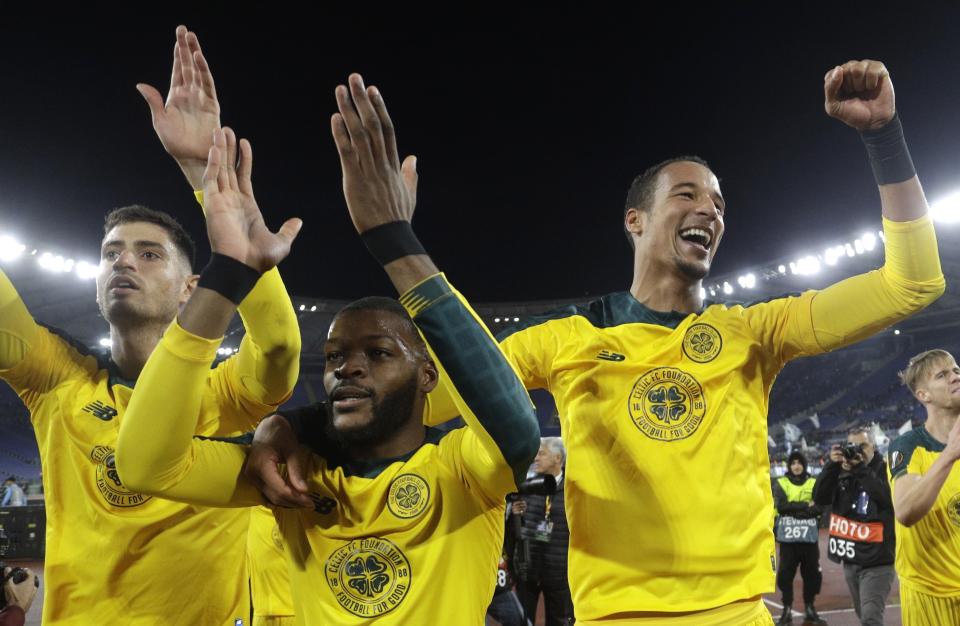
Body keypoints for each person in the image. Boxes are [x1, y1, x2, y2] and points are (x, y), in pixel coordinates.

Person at [252, 60, 944, 624]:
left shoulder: (753, 331)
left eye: (720, 204)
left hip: (734, 612)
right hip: (614, 614)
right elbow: (409, 401)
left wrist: (884, 140)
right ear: (634, 219)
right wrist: (293, 423)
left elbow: (913, 284)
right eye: (687, 195)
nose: (710, 209)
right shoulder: (566, 339)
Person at [115, 75, 540, 625]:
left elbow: (516, 430)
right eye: (336, 357)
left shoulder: (461, 470)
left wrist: (393, 239)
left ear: (428, 376)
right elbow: (147, 465)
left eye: (379, 353)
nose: (348, 367)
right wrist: (227, 275)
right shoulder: (293, 477)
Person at [0, 26, 301, 623]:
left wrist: (203, 180)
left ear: (193, 288)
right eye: (110, 253)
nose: (123, 262)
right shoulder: (58, 381)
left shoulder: (224, 396)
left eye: (148, 253)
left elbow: (279, 348)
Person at [888, 349, 960, 624]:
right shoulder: (907, 446)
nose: (955, 377)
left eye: (956, 370)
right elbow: (905, 511)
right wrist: (949, 455)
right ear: (923, 395)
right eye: (942, 375)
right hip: (930, 596)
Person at [813, 428, 895, 626]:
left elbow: (885, 499)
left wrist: (860, 469)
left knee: (870, 618)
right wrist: (832, 466)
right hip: (851, 559)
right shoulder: (841, 472)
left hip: (878, 562)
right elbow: (819, 498)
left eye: (863, 445)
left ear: (874, 447)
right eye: (853, 446)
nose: (858, 450)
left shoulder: (886, 469)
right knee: (862, 613)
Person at [512, 438, 573, 626]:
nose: (536, 458)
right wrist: (514, 515)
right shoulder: (527, 487)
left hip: (559, 572)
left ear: (557, 458)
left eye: (542, 453)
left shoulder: (572, 491)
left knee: (559, 620)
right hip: (529, 568)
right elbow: (517, 528)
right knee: (523, 620)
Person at [772, 451, 825, 625]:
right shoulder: (781, 482)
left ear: (804, 465)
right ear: (789, 466)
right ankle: (786, 611)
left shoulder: (813, 482)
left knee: (812, 575)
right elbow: (781, 507)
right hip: (788, 541)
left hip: (809, 540)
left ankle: (810, 609)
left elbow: (818, 508)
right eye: (793, 463)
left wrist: (795, 511)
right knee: (785, 576)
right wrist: (804, 506)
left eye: (799, 463)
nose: (796, 466)